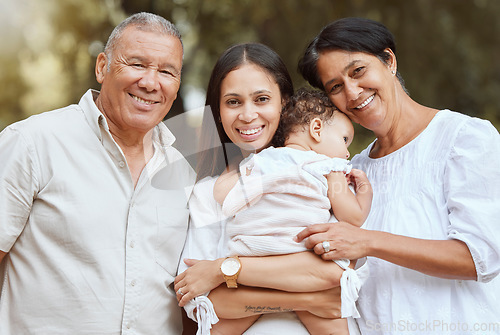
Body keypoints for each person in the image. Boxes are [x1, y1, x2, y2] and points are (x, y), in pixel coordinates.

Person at [296, 17, 500, 334]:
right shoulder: (351, 174)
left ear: (389, 61)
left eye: (358, 71)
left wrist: (368, 242)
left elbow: (480, 257)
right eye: (335, 87)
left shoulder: (463, 139)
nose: (352, 93)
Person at [0, 12, 195, 334]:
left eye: (166, 71)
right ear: (102, 66)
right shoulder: (32, 143)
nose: (150, 82)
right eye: (136, 64)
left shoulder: (183, 171)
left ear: (176, 85)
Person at [175, 43, 365, 335]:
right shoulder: (206, 195)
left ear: (284, 102)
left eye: (261, 99)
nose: (248, 115)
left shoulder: (315, 176)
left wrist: (224, 270)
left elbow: (333, 273)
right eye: (233, 102)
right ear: (218, 110)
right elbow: (205, 303)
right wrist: (309, 299)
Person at [211, 87, 373, 334]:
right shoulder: (328, 166)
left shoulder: (259, 160)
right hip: (299, 261)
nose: (347, 151)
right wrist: (364, 192)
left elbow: (222, 196)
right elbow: (352, 217)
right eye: (344, 139)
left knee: (219, 327)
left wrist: (235, 169)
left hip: (251, 256)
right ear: (316, 129)